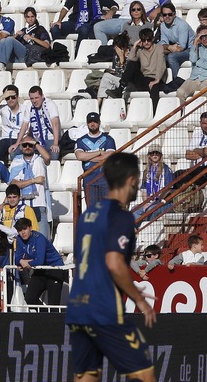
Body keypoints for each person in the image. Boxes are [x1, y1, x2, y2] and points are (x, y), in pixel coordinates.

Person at [66, 152, 156, 382]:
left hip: (77, 307)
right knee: (144, 373)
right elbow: (114, 263)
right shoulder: (120, 216)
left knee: (86, 377)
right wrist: (139, 299)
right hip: (103, 308)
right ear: (132, 179)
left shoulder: (88, 214)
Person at [94, 0, 166, 46]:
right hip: (121, 19)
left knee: (126, 31)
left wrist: (156, 10)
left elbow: (167, 3)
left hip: (136, 21)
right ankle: (103, 52)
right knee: (98, 27)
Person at [53, 0, 118, 46]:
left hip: (90, 23)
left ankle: (78, 53)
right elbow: (66, 7)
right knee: (55, 29)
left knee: (84, 29)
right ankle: (59, 52)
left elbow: (114, 5)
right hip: (74, 22)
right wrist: (59, 21)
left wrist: (111, 12)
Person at [13, 217, 66, 305]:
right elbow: (17, 258)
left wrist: (27, 262)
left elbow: (40, 260)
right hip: (40, 270)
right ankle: (45, 315)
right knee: (30, 298)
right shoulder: (19, 239)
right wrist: (22, 261)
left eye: (25, 229)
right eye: (19, 230)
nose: (23, 232)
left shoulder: (39, 238)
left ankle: (52, 317)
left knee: (53, 304)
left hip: (54, 268)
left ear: (30, 228)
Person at [9, 140, 52, 239]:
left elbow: (48, 157)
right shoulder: (16, 161)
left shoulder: (39, 159)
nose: (27, 147)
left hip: (39, 204)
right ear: (21, 147)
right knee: (23, 238)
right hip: (22, 206)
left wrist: (36, 143)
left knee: (42, 238)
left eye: (30, 145)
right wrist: (33, 180)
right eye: (25, 145)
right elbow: (14, 184)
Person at [176, 27, 207, 104]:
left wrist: (198, 61)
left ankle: (206, 114)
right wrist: (195, 43)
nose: (204, 39)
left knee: (206, 92)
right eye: (201, 37)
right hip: (194, 78)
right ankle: (184, 114)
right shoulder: (196, 48)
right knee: (180, 92)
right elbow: (193, 60)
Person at [119, 28, 168, 104]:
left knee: (154, 87)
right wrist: (135, 46)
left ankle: (154, 112)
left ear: (152, 39)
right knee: (132, 64)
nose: (146, 42)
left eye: (148, 40)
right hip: (144, 79)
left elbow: (161, 65)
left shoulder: (159, 48)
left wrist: (157, 79)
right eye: (143, 40)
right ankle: (120, 88)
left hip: (156, 78)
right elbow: (130, 59)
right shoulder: (140, 50)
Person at [0, 85, 25, 163]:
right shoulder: (4, 108)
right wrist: (2, 97)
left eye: (13, 97)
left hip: (19, 139)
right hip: (5, 138)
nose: (10, 100)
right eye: (7, 98)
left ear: (17, 96)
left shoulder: (25, 109)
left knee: (16, 153)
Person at [156, 4, 195, 77]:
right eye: (164, 15)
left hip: (191, 49)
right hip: (174, 46)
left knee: (171, 57)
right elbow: (163, 43)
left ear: (174, 14)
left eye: (169, 14)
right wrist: (169, 47)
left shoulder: (182, 25)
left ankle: (176, 81)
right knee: (157, 53)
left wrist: (166, 47)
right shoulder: (163, 25)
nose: (167, 17)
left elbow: (181, 48)